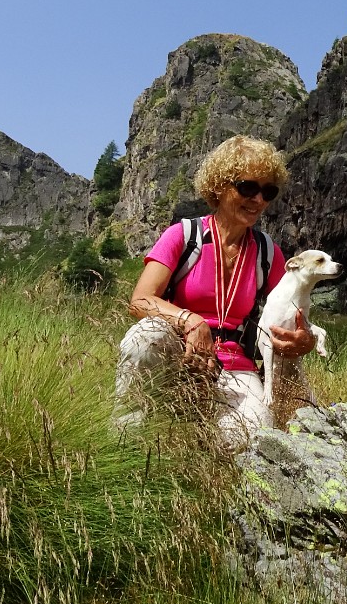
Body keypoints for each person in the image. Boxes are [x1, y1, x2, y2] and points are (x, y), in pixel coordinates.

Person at [115, 135, 317, 446]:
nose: (259, 200)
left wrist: (305, 340)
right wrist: (190, 321)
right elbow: (140, 301)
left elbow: (291, 315)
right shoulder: (184, 235)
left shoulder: (267, 252)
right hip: (177, 353)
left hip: (238, 369)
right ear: (220, 186)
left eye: (268, 192)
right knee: (144, 337)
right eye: (248, 188)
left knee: (253, 437)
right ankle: (126, 442)